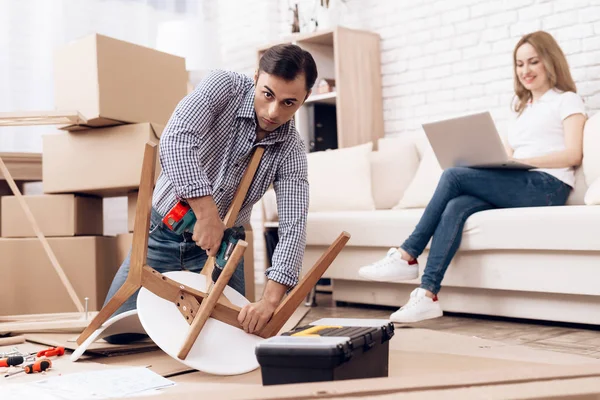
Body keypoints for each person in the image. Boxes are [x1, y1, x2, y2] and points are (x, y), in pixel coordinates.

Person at [358, 30, 587, 324]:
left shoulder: (567, 100)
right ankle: (427, 296)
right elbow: (512, 152)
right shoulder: (522, 109)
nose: (525, 71)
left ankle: (407, 255)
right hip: (521, 181)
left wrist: (523, 161)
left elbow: (573, 154)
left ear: (550, 61)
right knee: (456, 206)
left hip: (548, 186)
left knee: (453, 176)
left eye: (533, 62)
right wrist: (499, 162)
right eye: (519, 64)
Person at [103, 43, 317, 341]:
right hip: (163, 232)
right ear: (256, 77)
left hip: (222, 250)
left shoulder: (291, 150)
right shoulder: (223, 86)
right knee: (116, 333)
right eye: (267, 94)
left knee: (229, 337)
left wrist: (270, 301)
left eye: (289, 103)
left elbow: (294, 224)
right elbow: (175, 140)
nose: (273, 111)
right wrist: (206, 214)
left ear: (306, 98)